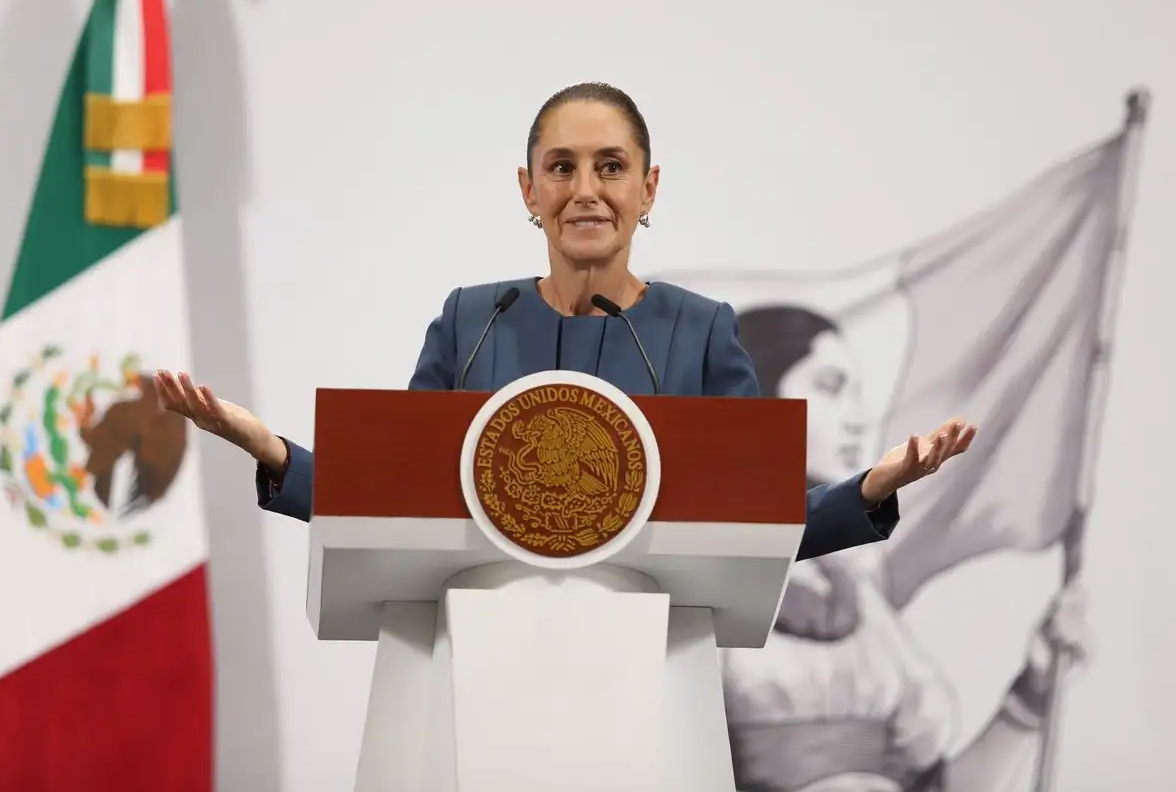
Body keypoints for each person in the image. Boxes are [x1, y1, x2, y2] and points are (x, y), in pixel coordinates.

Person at [153, 81, 976, 561]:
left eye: (611, 167)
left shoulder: (702, 332)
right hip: (476, 666)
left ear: (648, 190)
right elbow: (392, 498)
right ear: (529, 190)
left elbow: (766, 522)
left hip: (654, 670)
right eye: (562, 168)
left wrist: (870, 490)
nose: (586, 189)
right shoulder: (471, 322)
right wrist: (274, 452)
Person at [722, 304, 1087, 792]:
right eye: (831, 387)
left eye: (858, 392)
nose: (859, 416)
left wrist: (1032, 692)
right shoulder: (701, 580)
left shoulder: (863, 598)